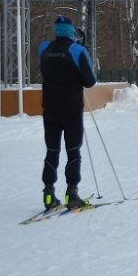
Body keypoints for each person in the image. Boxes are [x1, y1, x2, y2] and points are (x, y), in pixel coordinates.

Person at [38, 16, 97, 211]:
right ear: (72, 30)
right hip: (71, 109)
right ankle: (72, 193)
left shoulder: (44, 48)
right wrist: (84, 49)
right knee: (73, 151)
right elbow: (89, 81)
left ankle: (48, 194)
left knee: (52, 151)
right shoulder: (77, 50)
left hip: (50, 108)